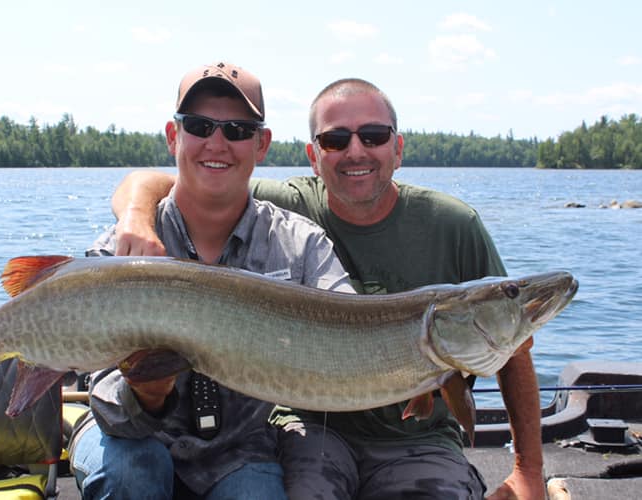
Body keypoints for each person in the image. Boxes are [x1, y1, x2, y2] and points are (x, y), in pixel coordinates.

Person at [107, 79, 545, 500]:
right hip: (313, 430)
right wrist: (135, 218)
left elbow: (516, 351)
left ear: (398, 148)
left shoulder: (453, 224)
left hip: (417, 440)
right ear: (314, 156)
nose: (356, 151)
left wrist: (528, 472)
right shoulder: (288, 202)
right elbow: (175, 181)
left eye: (373, 136)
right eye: (336, 140)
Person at [68, 62, 355, 500]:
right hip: (126, 435)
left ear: (261, 144)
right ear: (173, 137)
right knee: (131, 474)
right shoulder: (127, 244)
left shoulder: (301, 244)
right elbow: (106, 400)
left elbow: (355, 329)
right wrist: (146, 395)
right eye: (200, 126)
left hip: (238, 446)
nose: (217, 143)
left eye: (238, 130)